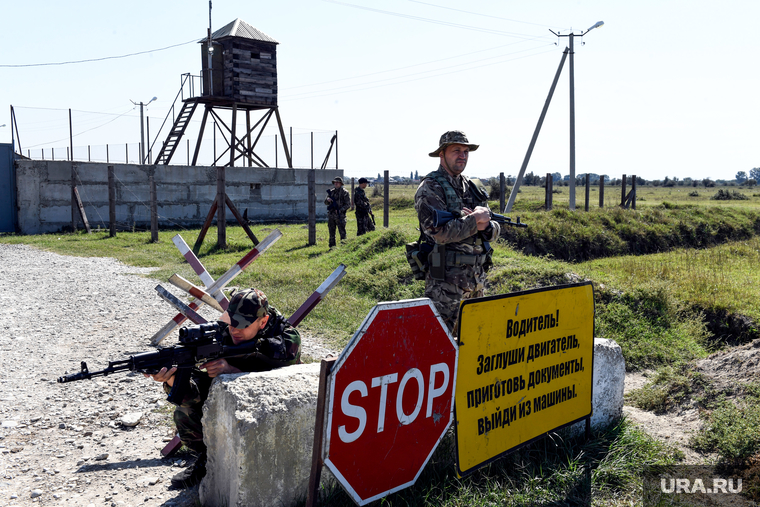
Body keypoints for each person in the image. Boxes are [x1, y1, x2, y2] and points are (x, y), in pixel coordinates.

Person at [146, 288, 301, 488]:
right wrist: (173, 378)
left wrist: (232, 371)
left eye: (242, 325)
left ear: (263, 322)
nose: (234, 329)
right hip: (229, 394)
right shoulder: (221, 332)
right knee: (185, 409)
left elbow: (278, 387)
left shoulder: (286, 340)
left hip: (275, 407)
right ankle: (208, 459)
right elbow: (197, 378)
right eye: (231, 322)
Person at [414, 130, 501, 335]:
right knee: (439, 342)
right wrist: (474, 221)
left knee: (472, 342)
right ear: (442, 154)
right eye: (456, 150)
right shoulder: (430, 188)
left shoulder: (474, 187)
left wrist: (487, 226)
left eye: (465, 151)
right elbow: (439, 233)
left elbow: (493, 226)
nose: (462, 155)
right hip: (445, 281)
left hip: (476, 279)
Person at [324, 176, 351, 247]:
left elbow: (348, 205)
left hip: (340, 216)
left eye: (337, 182)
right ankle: (332, 247)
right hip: (331, 215)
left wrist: (340, 210)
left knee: (342, 232)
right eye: (335, 182)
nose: (336, 184)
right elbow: (325, 202)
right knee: (331, 232)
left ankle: (344, 246)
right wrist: (328, 200)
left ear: (341, 183)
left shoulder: (345, 192)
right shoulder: (331, 192)